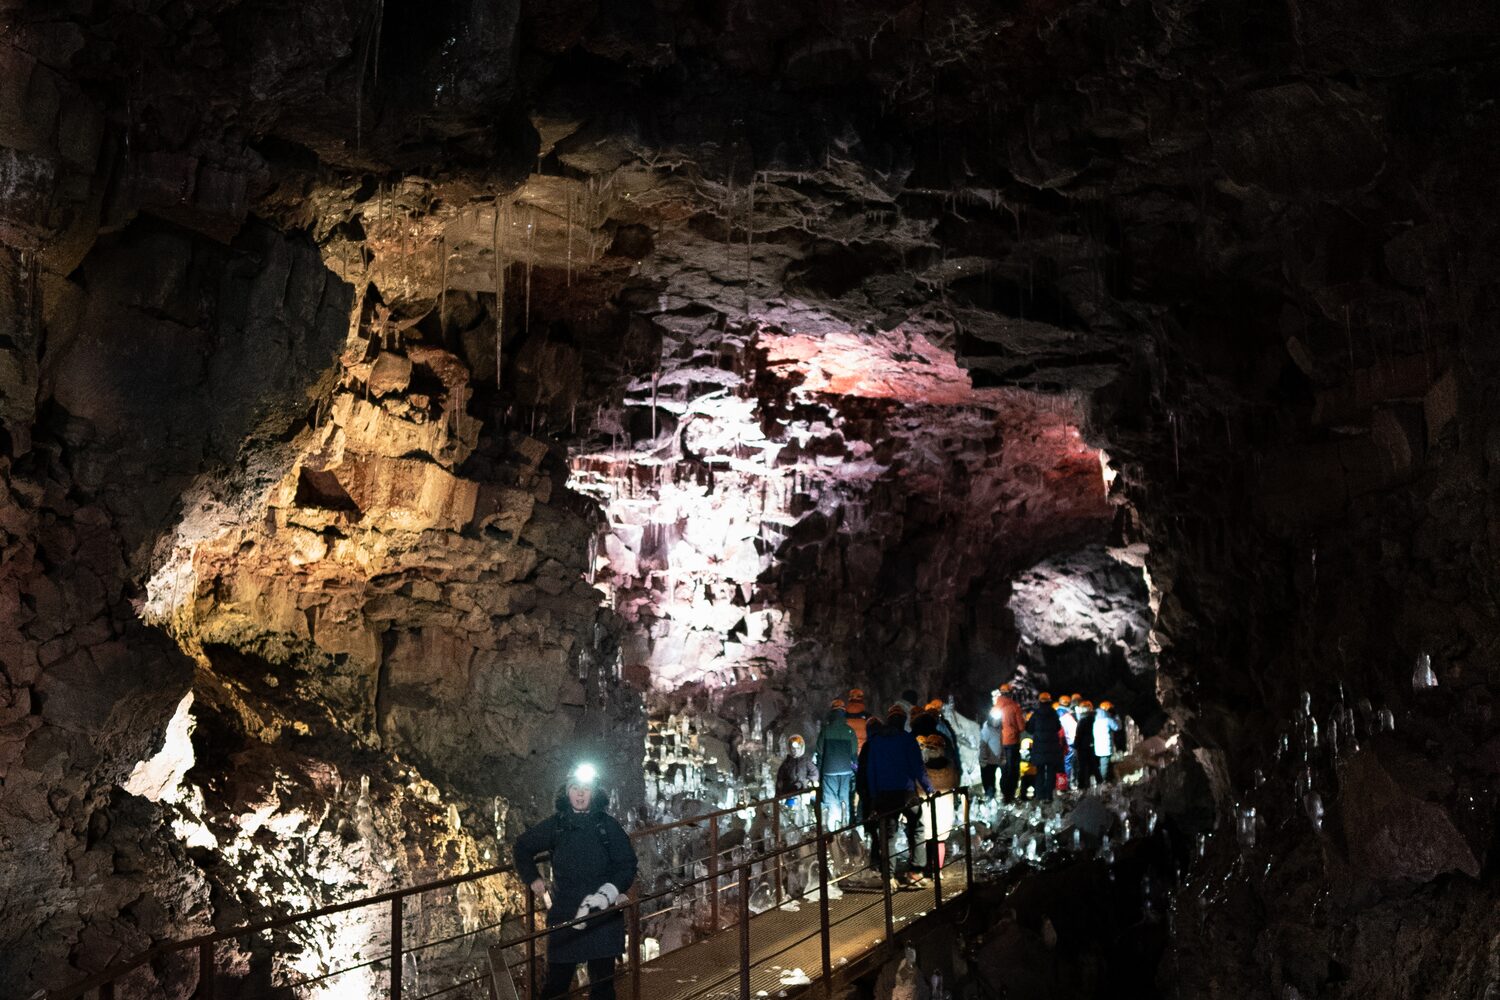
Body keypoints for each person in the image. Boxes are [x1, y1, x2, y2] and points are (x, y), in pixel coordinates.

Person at [513, 763, 639, 1000]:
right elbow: (522, 846)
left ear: (594, 793)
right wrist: (532, 877)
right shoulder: (557, 825)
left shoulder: (606, 826)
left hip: (601, 913)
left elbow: (627, 863)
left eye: (585, 789)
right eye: (575, 788)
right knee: (557, 983)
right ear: (566, 792)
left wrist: (610, 890)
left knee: (602, 985)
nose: (580, 794)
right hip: (567, 912)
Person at [863, 705, 934, 887]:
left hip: (885, 795)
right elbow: (917, 767)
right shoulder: (907, 740)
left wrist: (873, 797)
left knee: (888, 836)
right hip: (906, 792)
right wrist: (929, 789)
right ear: (903, 721)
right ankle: (916, 871)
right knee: (918, 827)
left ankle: (889, 877)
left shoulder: (876, 742)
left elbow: (871, 772)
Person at [911, 703, 959, 875]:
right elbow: (956, 781)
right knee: (940, 841)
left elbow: (917, 783)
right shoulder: (949, 766)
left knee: (925, 838)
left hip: (926, 805)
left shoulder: (923, 769)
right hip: (945, 806)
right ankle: (937, 870)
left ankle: (925, 868)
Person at [814, 699, 858, 830]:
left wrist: (819, 774)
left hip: (829, 771)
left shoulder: (826, 730)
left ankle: (833, 831)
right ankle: (845, 830)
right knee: (844, 800)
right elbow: (854, 754)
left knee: (830, 801)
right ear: (844, 713)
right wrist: (854, 771)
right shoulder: (850, 731)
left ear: (832, 713)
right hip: (845, 772)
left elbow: (819, 752)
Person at [1025, 699, 1065, 802]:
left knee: (1040, 772)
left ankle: (1039, 796)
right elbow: (1058, 727)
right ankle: (1049, 795)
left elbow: (1029, 728)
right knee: (1051, 772)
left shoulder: (1036, 714)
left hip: (1039, 748)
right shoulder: (1053, 713)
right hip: (1052, 748)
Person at [995, 684, 1024, 803]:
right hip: (1012, 742)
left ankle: (1004, 793)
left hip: (999, 742)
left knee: (1004, 769)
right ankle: (1010, 794)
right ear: (1010, 693)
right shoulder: (1014, 707)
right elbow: (1021, 727)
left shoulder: (995, 707)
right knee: (1012, 768)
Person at [776, 734, 818, 803]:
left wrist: (806, 781)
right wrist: (778, 794)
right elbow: (779, 779)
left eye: (798, 748)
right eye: (793, 748)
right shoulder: (786, 763)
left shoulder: (806, 762)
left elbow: (815, 773)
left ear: (801, 748)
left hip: (803, 793)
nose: (795, 750)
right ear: (789, 748)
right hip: (789, 793)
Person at [978, 700, 1005, 800]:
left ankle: (992, 796)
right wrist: (983, 759)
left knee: (992, 779)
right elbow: (983, 746)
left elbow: (1001, 744)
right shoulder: (986, 729)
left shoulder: (1000, 730)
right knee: (987, 779)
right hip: (987, 760)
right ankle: (989, 797)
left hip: (995, 760)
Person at [1094, 701, 1122, 782]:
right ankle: (1103, 782)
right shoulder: (1107, 720)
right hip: (1106, 747)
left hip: (1100, 746)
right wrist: (1116, 717)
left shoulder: (1096, 719)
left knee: (1104, 764)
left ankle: (1106, 780)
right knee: (1105, 765)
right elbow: (1118, 727)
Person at [1072, 701, 1098, 789]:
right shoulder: (1094, 718)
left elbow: (1078, 734)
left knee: (1082, 766)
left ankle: (1082, 785)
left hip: (1083, 746)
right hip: (1092, 745)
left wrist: (1075, 745)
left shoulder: (1083, 720)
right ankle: (1099, 781)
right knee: (1093, 765)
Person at [1057, 697, 1078, 788]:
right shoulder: (1068, 716)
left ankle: (1060, 784)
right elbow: (1074, 731)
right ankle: (1068, 782)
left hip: (1057, 743)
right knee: (1069, 763)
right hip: (1069, 743)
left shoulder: (1054, 714)